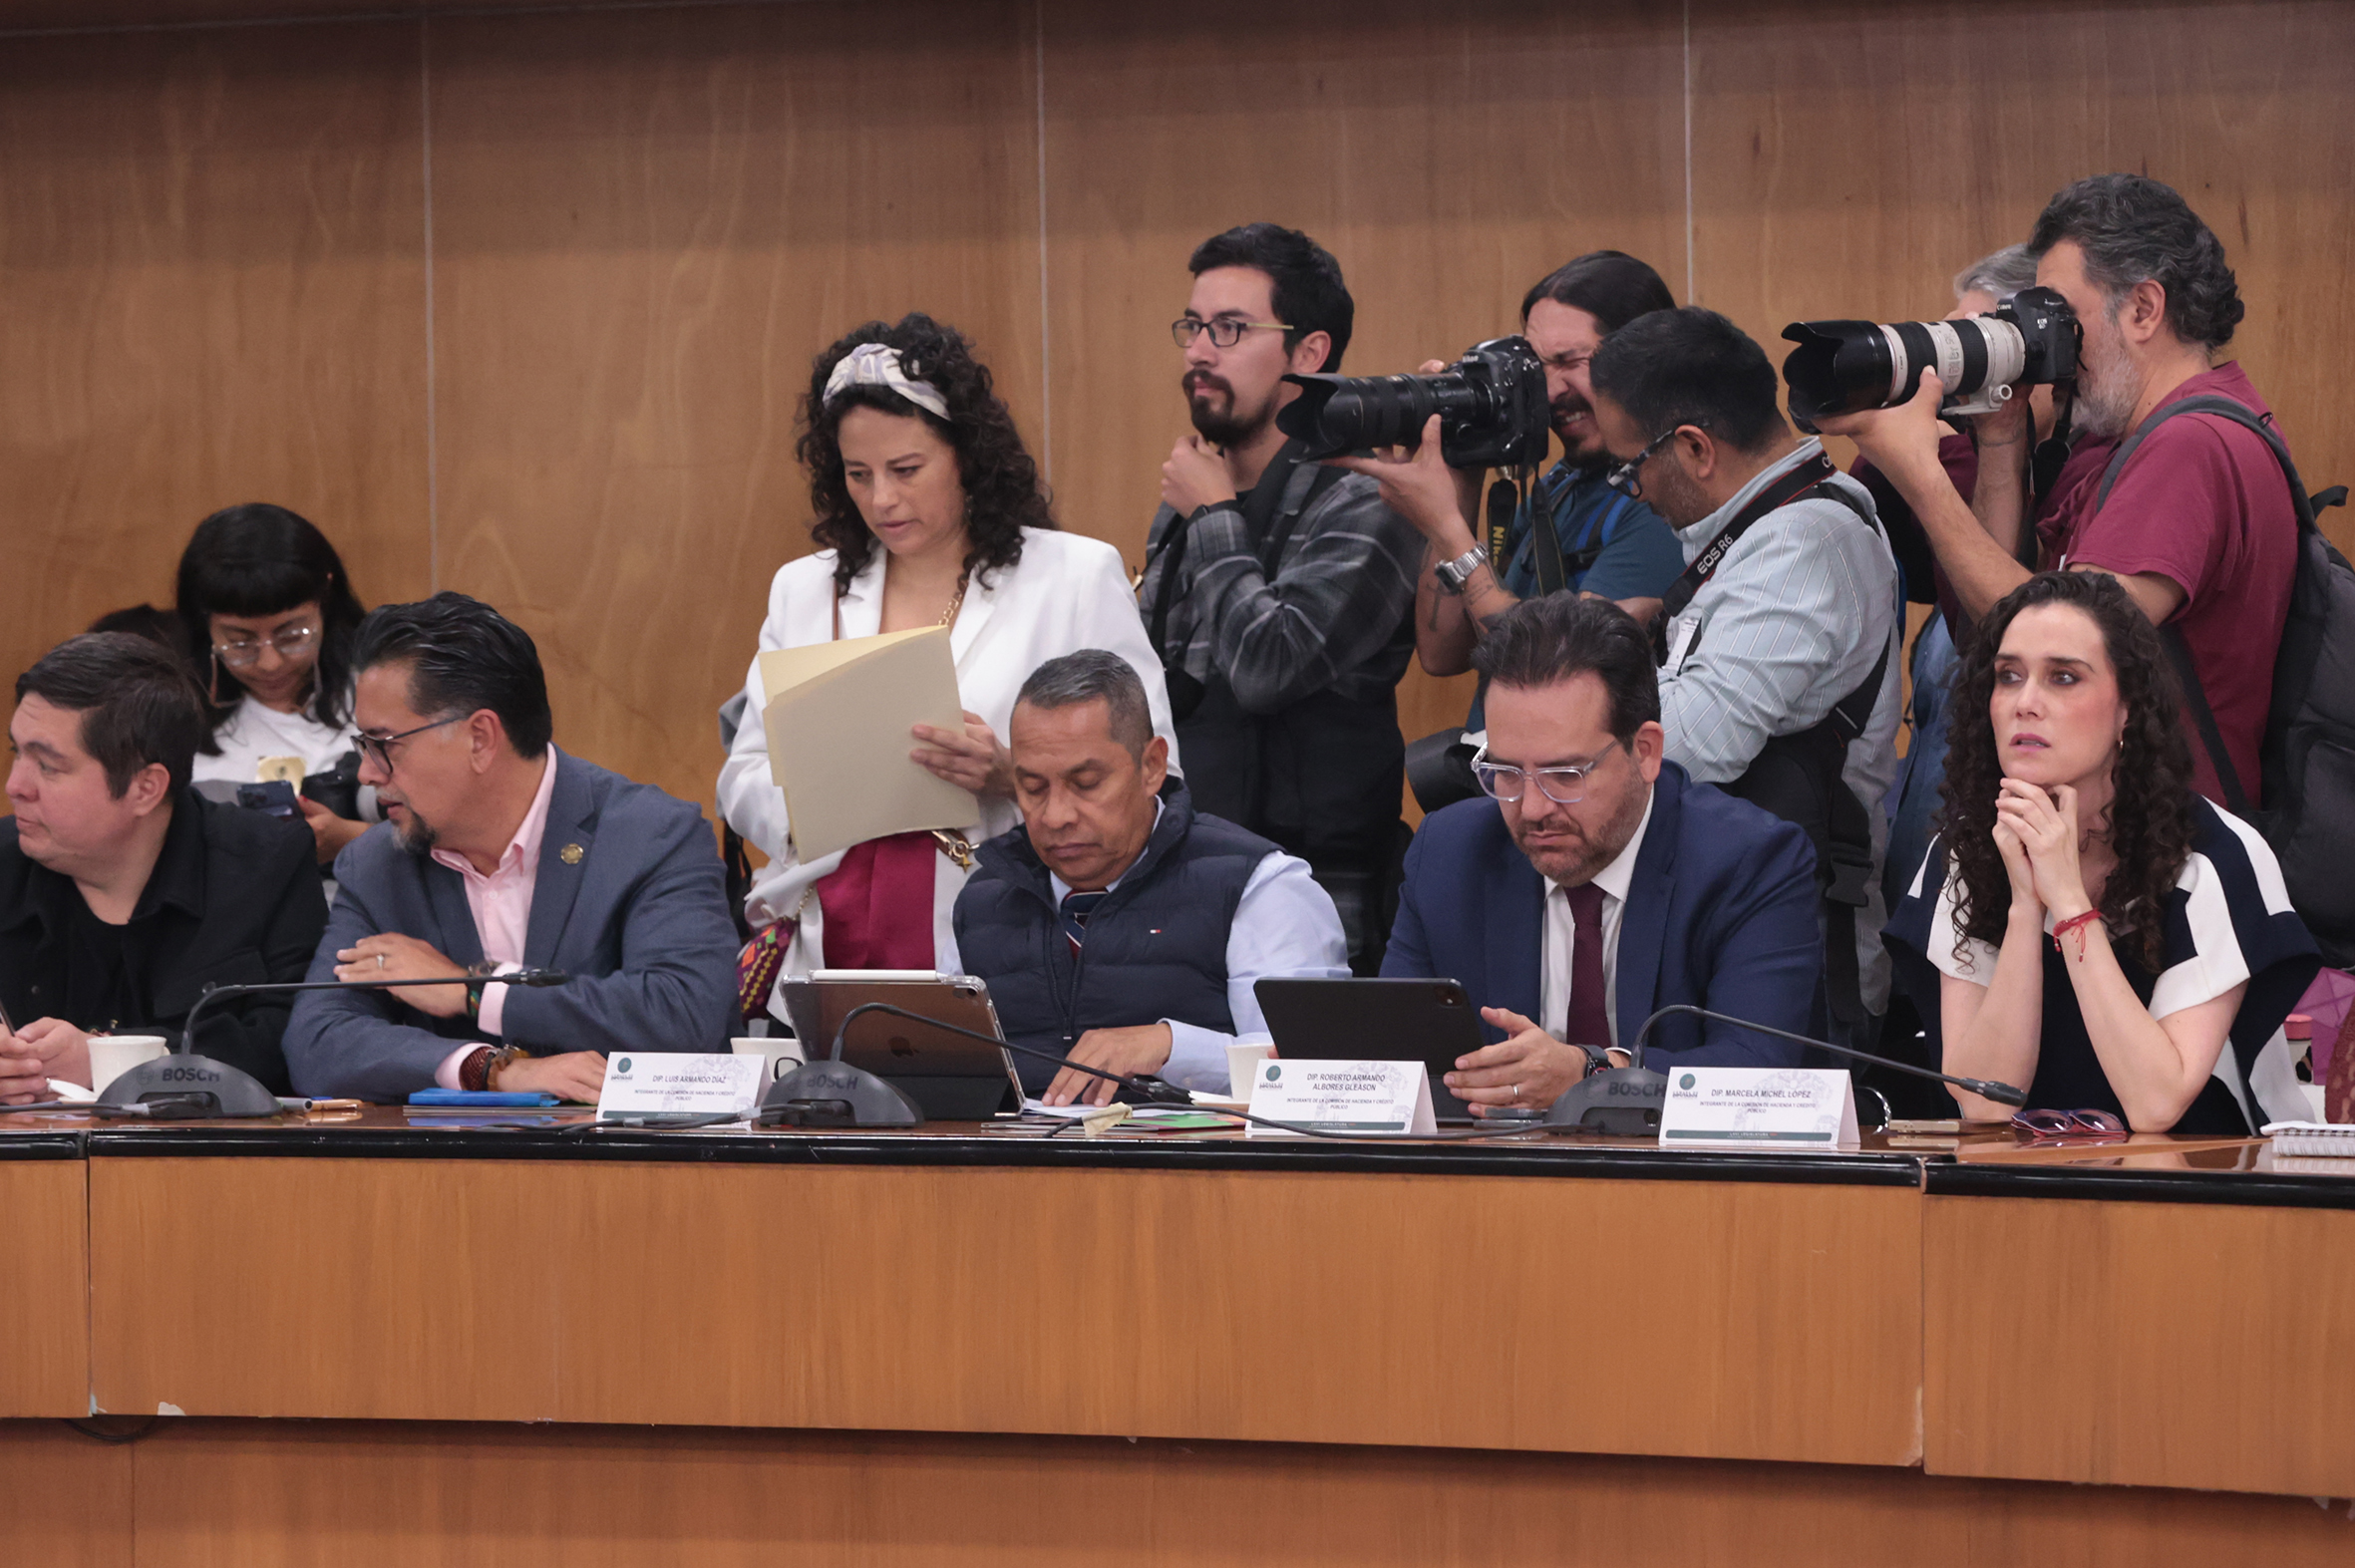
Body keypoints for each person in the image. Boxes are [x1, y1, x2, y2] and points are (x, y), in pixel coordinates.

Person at [718, 315, 1177, 1022]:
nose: (881, 499)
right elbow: (742, 776)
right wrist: (829, 795)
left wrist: (1009, 776)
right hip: (827, 938)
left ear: (967, 456)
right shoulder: (805, 588)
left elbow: (1158, 781)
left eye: (906, 470)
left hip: (1014, 939)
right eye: (858, 474)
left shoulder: (1074, 576)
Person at [1825, 174, 2296, 809]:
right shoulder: (2140, 442)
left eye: (2064, 318)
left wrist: (1921, 475)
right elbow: (1995, 631)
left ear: (2143, 309)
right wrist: (2002, 437)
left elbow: (2061, 645)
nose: (2053, 349)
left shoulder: (2190, 445)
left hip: (2162, 838)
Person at [1884, 571, 2318, 1132]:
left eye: (2064, 677)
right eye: (2008, 676)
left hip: (2206, 1172)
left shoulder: (2214, 856)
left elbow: (2156, 1104)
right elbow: (1986, 1101)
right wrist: (2025, 906)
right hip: (2026, 1176)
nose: (2025, 703)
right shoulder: (1964, 852)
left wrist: (2068, 900)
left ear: (2127, 709)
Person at [283, 594, 739, 1102]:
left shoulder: (649, 836)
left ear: (480, 738)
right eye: (362, 746)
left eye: (384, 744)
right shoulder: (378, 864)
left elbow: (684, 1014)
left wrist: (475, 991)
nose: (367, 774)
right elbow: (317, 1043)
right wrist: (489, 1069)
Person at [1586, 307, 1903, 1035]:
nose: (1635, 491)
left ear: (1694, 447)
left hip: (1800, 960)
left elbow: (1692, 747)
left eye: (1631, 468)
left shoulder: (1802, 543)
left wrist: (1581, 709)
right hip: (1743, 925)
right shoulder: (1773, 524)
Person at [1382, 595, 1824, 1113]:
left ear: (1645, 752)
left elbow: (1760, 1075)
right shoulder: (1449, 854)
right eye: (1505, 772)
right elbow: (1394, 1062)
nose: (1532, 809)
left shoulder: (1749, 861)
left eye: (1565, 775)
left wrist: (1589, 1073)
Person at [1137, 223, 1423, 970]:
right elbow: (1162, 680)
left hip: (1315, 886)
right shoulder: (1194, 492)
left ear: (1309, 352)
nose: (1199, 351)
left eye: (1230, 329)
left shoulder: (1366, 491)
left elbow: (1268, 668)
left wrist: (1212, 514)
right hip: (1184, 870)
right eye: (1194, 326)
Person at [943, 650, 1348, 1105]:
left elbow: (1324, 1073)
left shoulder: (1256, 885)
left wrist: (1172, 1048)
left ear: (1152, 766)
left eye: (1086, 783)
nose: (1056, 816)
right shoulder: (983, 899)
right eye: (1033, 788)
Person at [1331, 251, 1686, 709]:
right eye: (1540, 366)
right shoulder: (1559, 485)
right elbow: (1442, 653)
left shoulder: (1659, 501)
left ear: (1643, 361)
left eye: (1571, 361)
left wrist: (1445, 528)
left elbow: (1567, 676)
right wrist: (1462, 466)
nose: (1551, 391)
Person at [0, 634, 326, 1098]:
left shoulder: (265, 864)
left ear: (145, 788)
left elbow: (291, 1042)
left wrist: (106, 1060)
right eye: (17, 753)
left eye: (48, 766)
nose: (15, 786)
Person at [175, 503, 379, 864]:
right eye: (240, 642)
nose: (270, 663)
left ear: (325, 598)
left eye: (292, 636)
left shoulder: (382, 691)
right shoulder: (175, 718)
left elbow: (458, 838)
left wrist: (353, 840)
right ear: (204, 624)